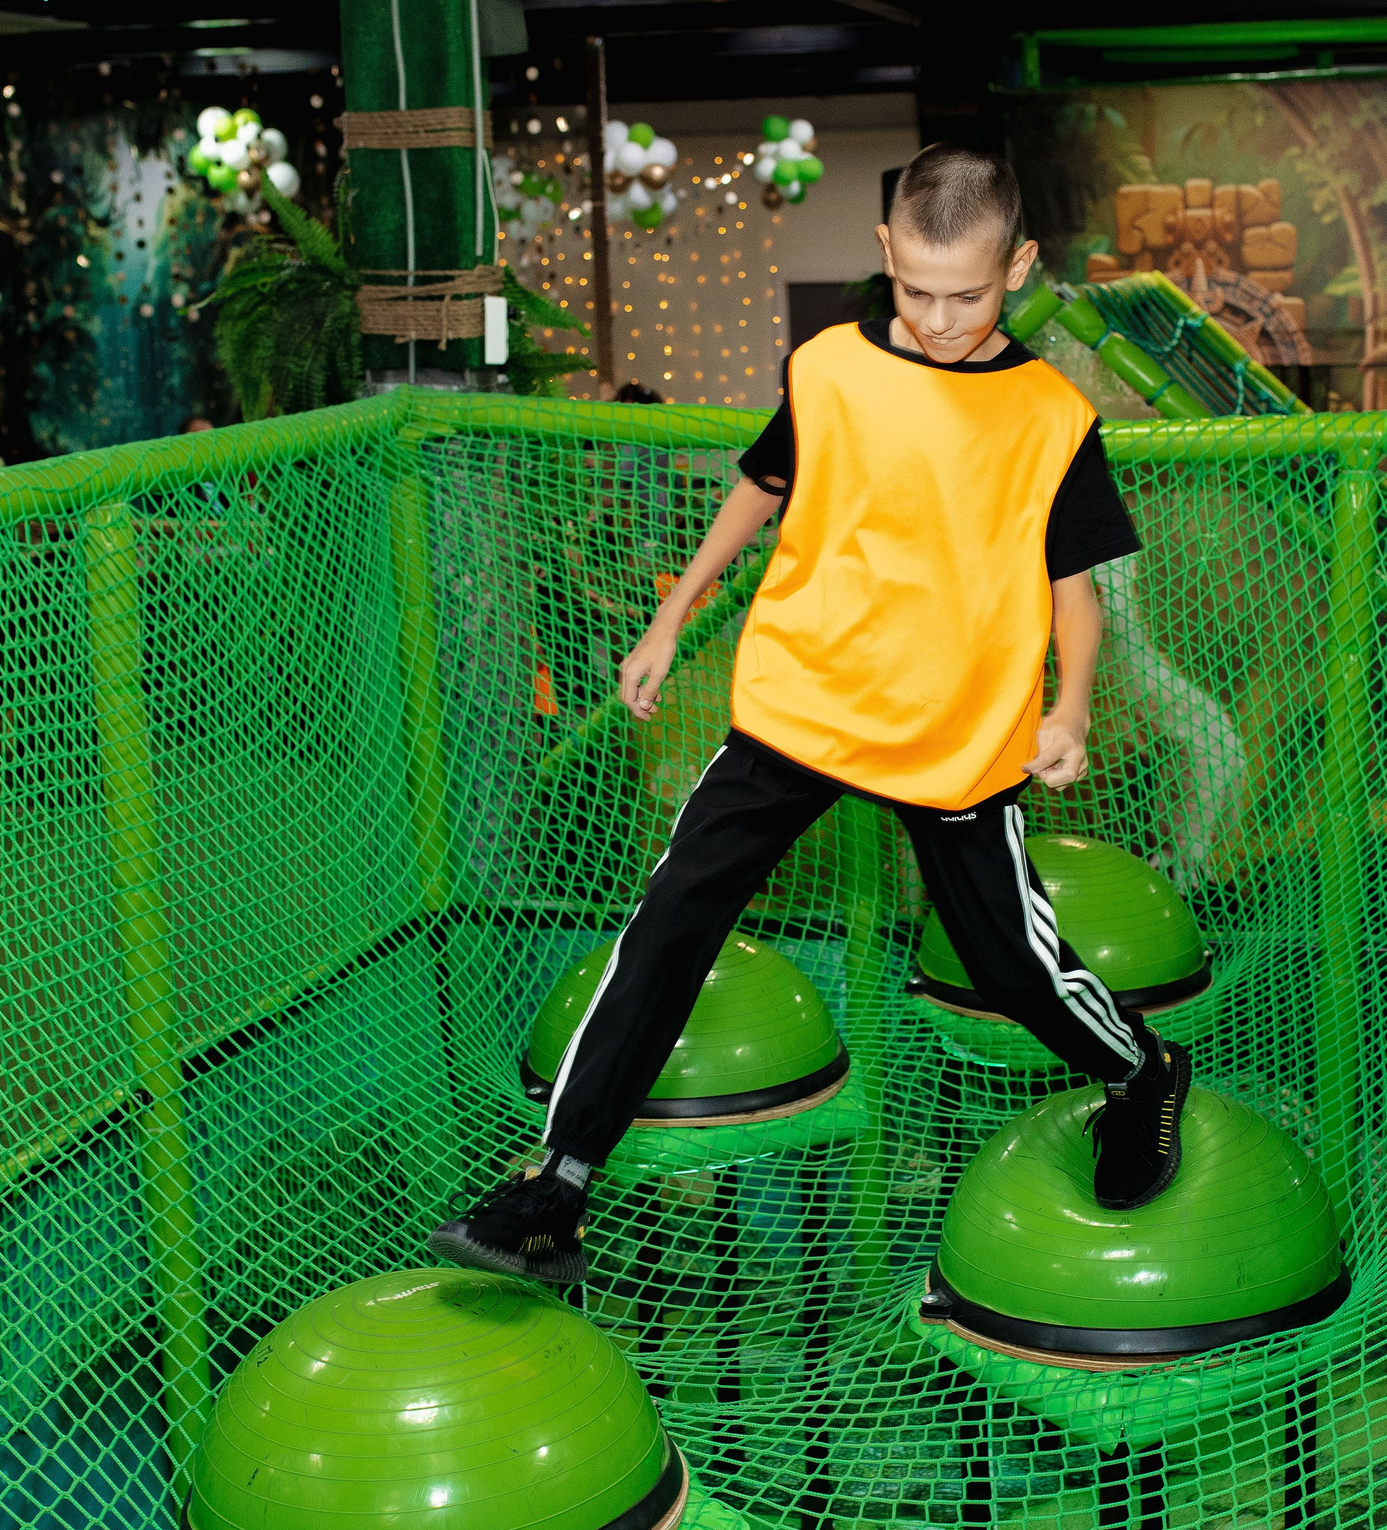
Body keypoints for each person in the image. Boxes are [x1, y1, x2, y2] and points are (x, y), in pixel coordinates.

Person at [431, 144, 1193, 1285]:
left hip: (953, 729)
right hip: (803, 699)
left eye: (970, 295)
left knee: (1006, 963)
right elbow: (764, 483)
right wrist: (670, 618)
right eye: (916, 290)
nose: (939, 319)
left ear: (1019, 267)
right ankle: (558, 1185)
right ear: (885, 256)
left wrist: (1071, 708)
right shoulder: (828, 367)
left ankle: (1142, 1073)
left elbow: (1069, 586)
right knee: (675, 911)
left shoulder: (1049, 416)